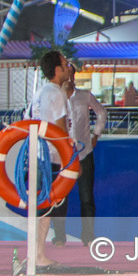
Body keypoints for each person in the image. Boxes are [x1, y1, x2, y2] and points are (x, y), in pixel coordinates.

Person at [26, 50, 72, 267]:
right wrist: (69, 162)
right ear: (57, 69)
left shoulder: (39, 92)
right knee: (46, 206)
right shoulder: (56, 93)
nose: (68, 67)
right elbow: (61, 130)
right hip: (51, 155)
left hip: (37, 152)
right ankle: (38, 255)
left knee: (41, 205)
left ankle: (35, 252)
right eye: (65, 64)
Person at [56, 64, 108, 247]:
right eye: (66, 73)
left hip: (84, 153)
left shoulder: (84, 96)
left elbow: (101, 112)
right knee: (60, 197)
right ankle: (59, 237)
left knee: (86, 197)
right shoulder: (55, 98)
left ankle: (88, 236)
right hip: (62, 156)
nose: (69, 77)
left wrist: (96, 134)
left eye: (72, 73)